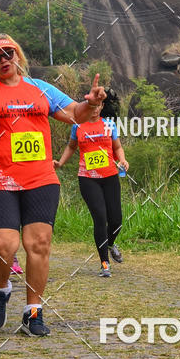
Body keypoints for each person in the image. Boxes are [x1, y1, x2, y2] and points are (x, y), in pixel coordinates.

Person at [0, 34, 107, 336]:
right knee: (2, 245)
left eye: (8, 53)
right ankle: (0, 288)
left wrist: (92, 102)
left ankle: (33, 312)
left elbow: (75, 114)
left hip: (39, 178)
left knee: (39, 244)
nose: (3, 59)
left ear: (18, 55)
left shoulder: (39, 89)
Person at [55, 87, 127, 277]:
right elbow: (71, 147)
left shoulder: (109, 125)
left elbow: (117, 147)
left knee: (116, 221)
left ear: (102, 106)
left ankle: (110, 244)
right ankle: (104, 263)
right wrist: (61, 163)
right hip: (88, 179)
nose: (94, 109)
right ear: (88, 106)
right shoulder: (77, 126)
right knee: (100, 218)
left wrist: (123, 160)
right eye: (91, 106)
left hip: (110, 176)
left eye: (98, 105)